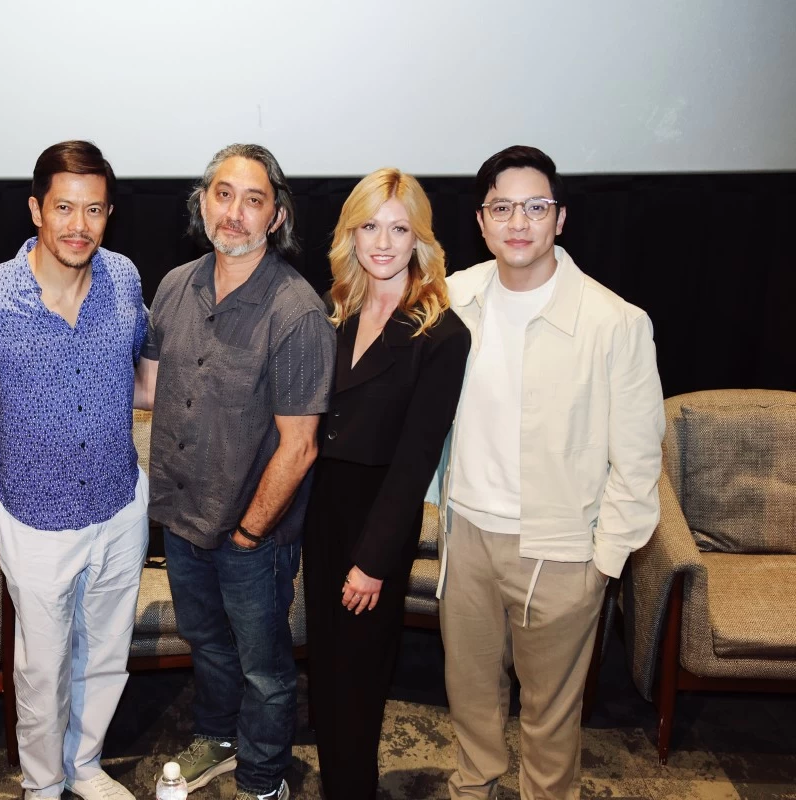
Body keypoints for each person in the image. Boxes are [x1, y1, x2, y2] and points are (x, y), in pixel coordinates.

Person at [437, 145, 665, 799]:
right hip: (466, 535)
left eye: (535, 207)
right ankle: (472, 786)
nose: (518, 222)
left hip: (562, 552)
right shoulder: (453, 298)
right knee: (469, 695)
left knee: (550, 720)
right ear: (481, 221)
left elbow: (638, 458)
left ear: (559, 219)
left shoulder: (615, 322)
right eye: (502, 208)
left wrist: (603, 564)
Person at [0, 141, 155, 800]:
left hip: (119, 504)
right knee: (42, 672)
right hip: (37, 521)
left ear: (109, 214)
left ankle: (85, 764)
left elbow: (142, 372)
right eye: (64, 207)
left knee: (106, 653)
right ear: (35, 209)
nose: (79, 225)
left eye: (93, 209)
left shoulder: (124, 279)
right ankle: (42, 786)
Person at [146, 143, 335, 800]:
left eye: (253, 200)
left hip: (254, 535)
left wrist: (251, 533)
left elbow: (300, 447)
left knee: (264, 669)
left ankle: (261, 779)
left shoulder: (296, 312)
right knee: (206, 643)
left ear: (276, 217)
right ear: (202, 203)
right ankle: (218, 739)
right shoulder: (175, 286)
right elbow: (152, 390)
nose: (235, 212)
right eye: (223, 194)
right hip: (182, 520)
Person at [303, 168, 470, 799]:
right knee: (326, 674)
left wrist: (373, 562)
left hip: (377, 524)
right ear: (351, 233)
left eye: (399, 229)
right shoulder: (335, 311)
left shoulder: (442, 335)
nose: (382, 242)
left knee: (357, 681)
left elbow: (415, 461)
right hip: (322, 515)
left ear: (420, 239)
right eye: (370, 225)